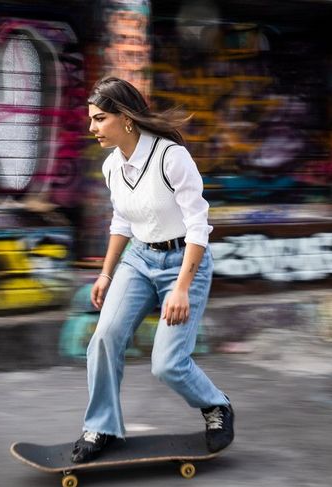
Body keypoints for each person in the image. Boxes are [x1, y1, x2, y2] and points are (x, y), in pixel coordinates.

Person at [71, 76, 234, 463]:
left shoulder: (170, 158)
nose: (92, 128)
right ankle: (102, 425)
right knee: (104, 339)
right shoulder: (113, 166)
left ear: (125, 118)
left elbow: (199, 226)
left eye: (99, 119)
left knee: (167, 364)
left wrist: (181, 287)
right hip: (139, 260)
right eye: (91, 120)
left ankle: (216, 406)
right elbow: (121, 222)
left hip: (184, 262)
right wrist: (106, 274)